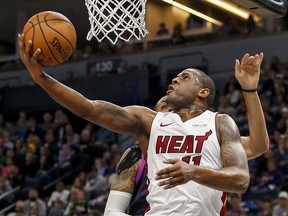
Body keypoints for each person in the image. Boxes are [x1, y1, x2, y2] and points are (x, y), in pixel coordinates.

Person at [19, 34, 257, 215]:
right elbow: (89, 108)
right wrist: (41, 78)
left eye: (185, 77)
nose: (175, 79)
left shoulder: (220, 122)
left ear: (203, 92)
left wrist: (193, 172)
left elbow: (240, 179)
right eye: (176, 77)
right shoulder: (149, 121)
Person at [104, 52, 269, 215]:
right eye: (167, 111)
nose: (174, 114)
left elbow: (258, 145)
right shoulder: (135, 156)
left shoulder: (212, 138)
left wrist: (250, 90)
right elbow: (112, 210)